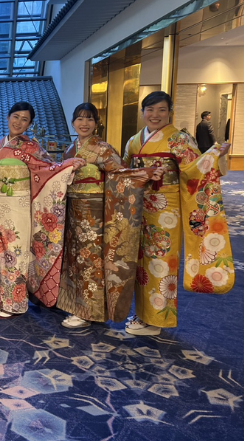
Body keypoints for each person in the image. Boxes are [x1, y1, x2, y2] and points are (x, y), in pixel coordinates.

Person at [124, 91, 233, 336]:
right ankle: (143, 313)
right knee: (140, 261)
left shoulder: (180, 139)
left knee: (161, 260)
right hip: (138, 206)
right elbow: (124, 171)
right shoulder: (133, 141)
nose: (155, 115)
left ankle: (157, 320)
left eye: (161, 110)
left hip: (166, 208)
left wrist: (213, 155)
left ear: (170, 112)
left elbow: (195, 170)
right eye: (150, 110)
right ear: (142, 112)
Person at [56, 103, 160, 328]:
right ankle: (76, 305)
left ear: (96, 123)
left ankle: (88, 311)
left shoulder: (103, 149)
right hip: (73, 211)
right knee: (75, 259)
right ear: (73, 123)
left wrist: (144, 174)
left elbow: (121, 174)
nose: (84, 123)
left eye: (89, 119)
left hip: (94, 213)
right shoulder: (70, 149)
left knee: (90, 260)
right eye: (80, 119)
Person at [0, 102, 84, 319]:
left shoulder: (31, 147)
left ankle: (16, 303)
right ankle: (4, 299)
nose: (18, 122)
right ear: (8, 117)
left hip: (18, 205)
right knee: (0, 252)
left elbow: (48, 169)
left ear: (29, 124)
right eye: (16, 117)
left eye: (24, 120)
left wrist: (67, 165)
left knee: (15, 250)